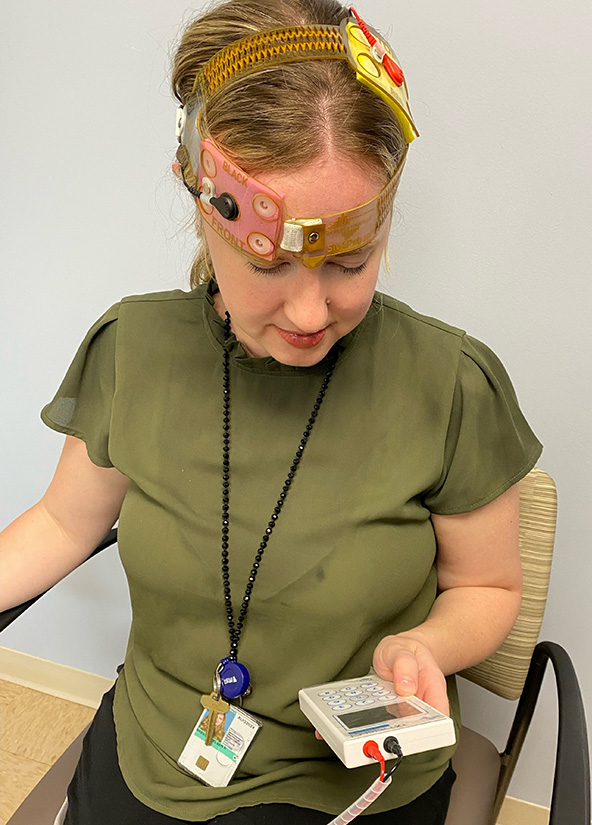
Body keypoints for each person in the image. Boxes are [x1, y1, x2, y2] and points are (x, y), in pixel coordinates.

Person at [0, 0, 542, 822]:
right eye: (268, 264)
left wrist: (426, 644)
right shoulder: (132, 347)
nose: (310, 312)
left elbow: (490, 583)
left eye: (350, 263)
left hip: (358, 779)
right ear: (203, 215)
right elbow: (62, 524)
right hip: (159, 743)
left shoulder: (452, 383)